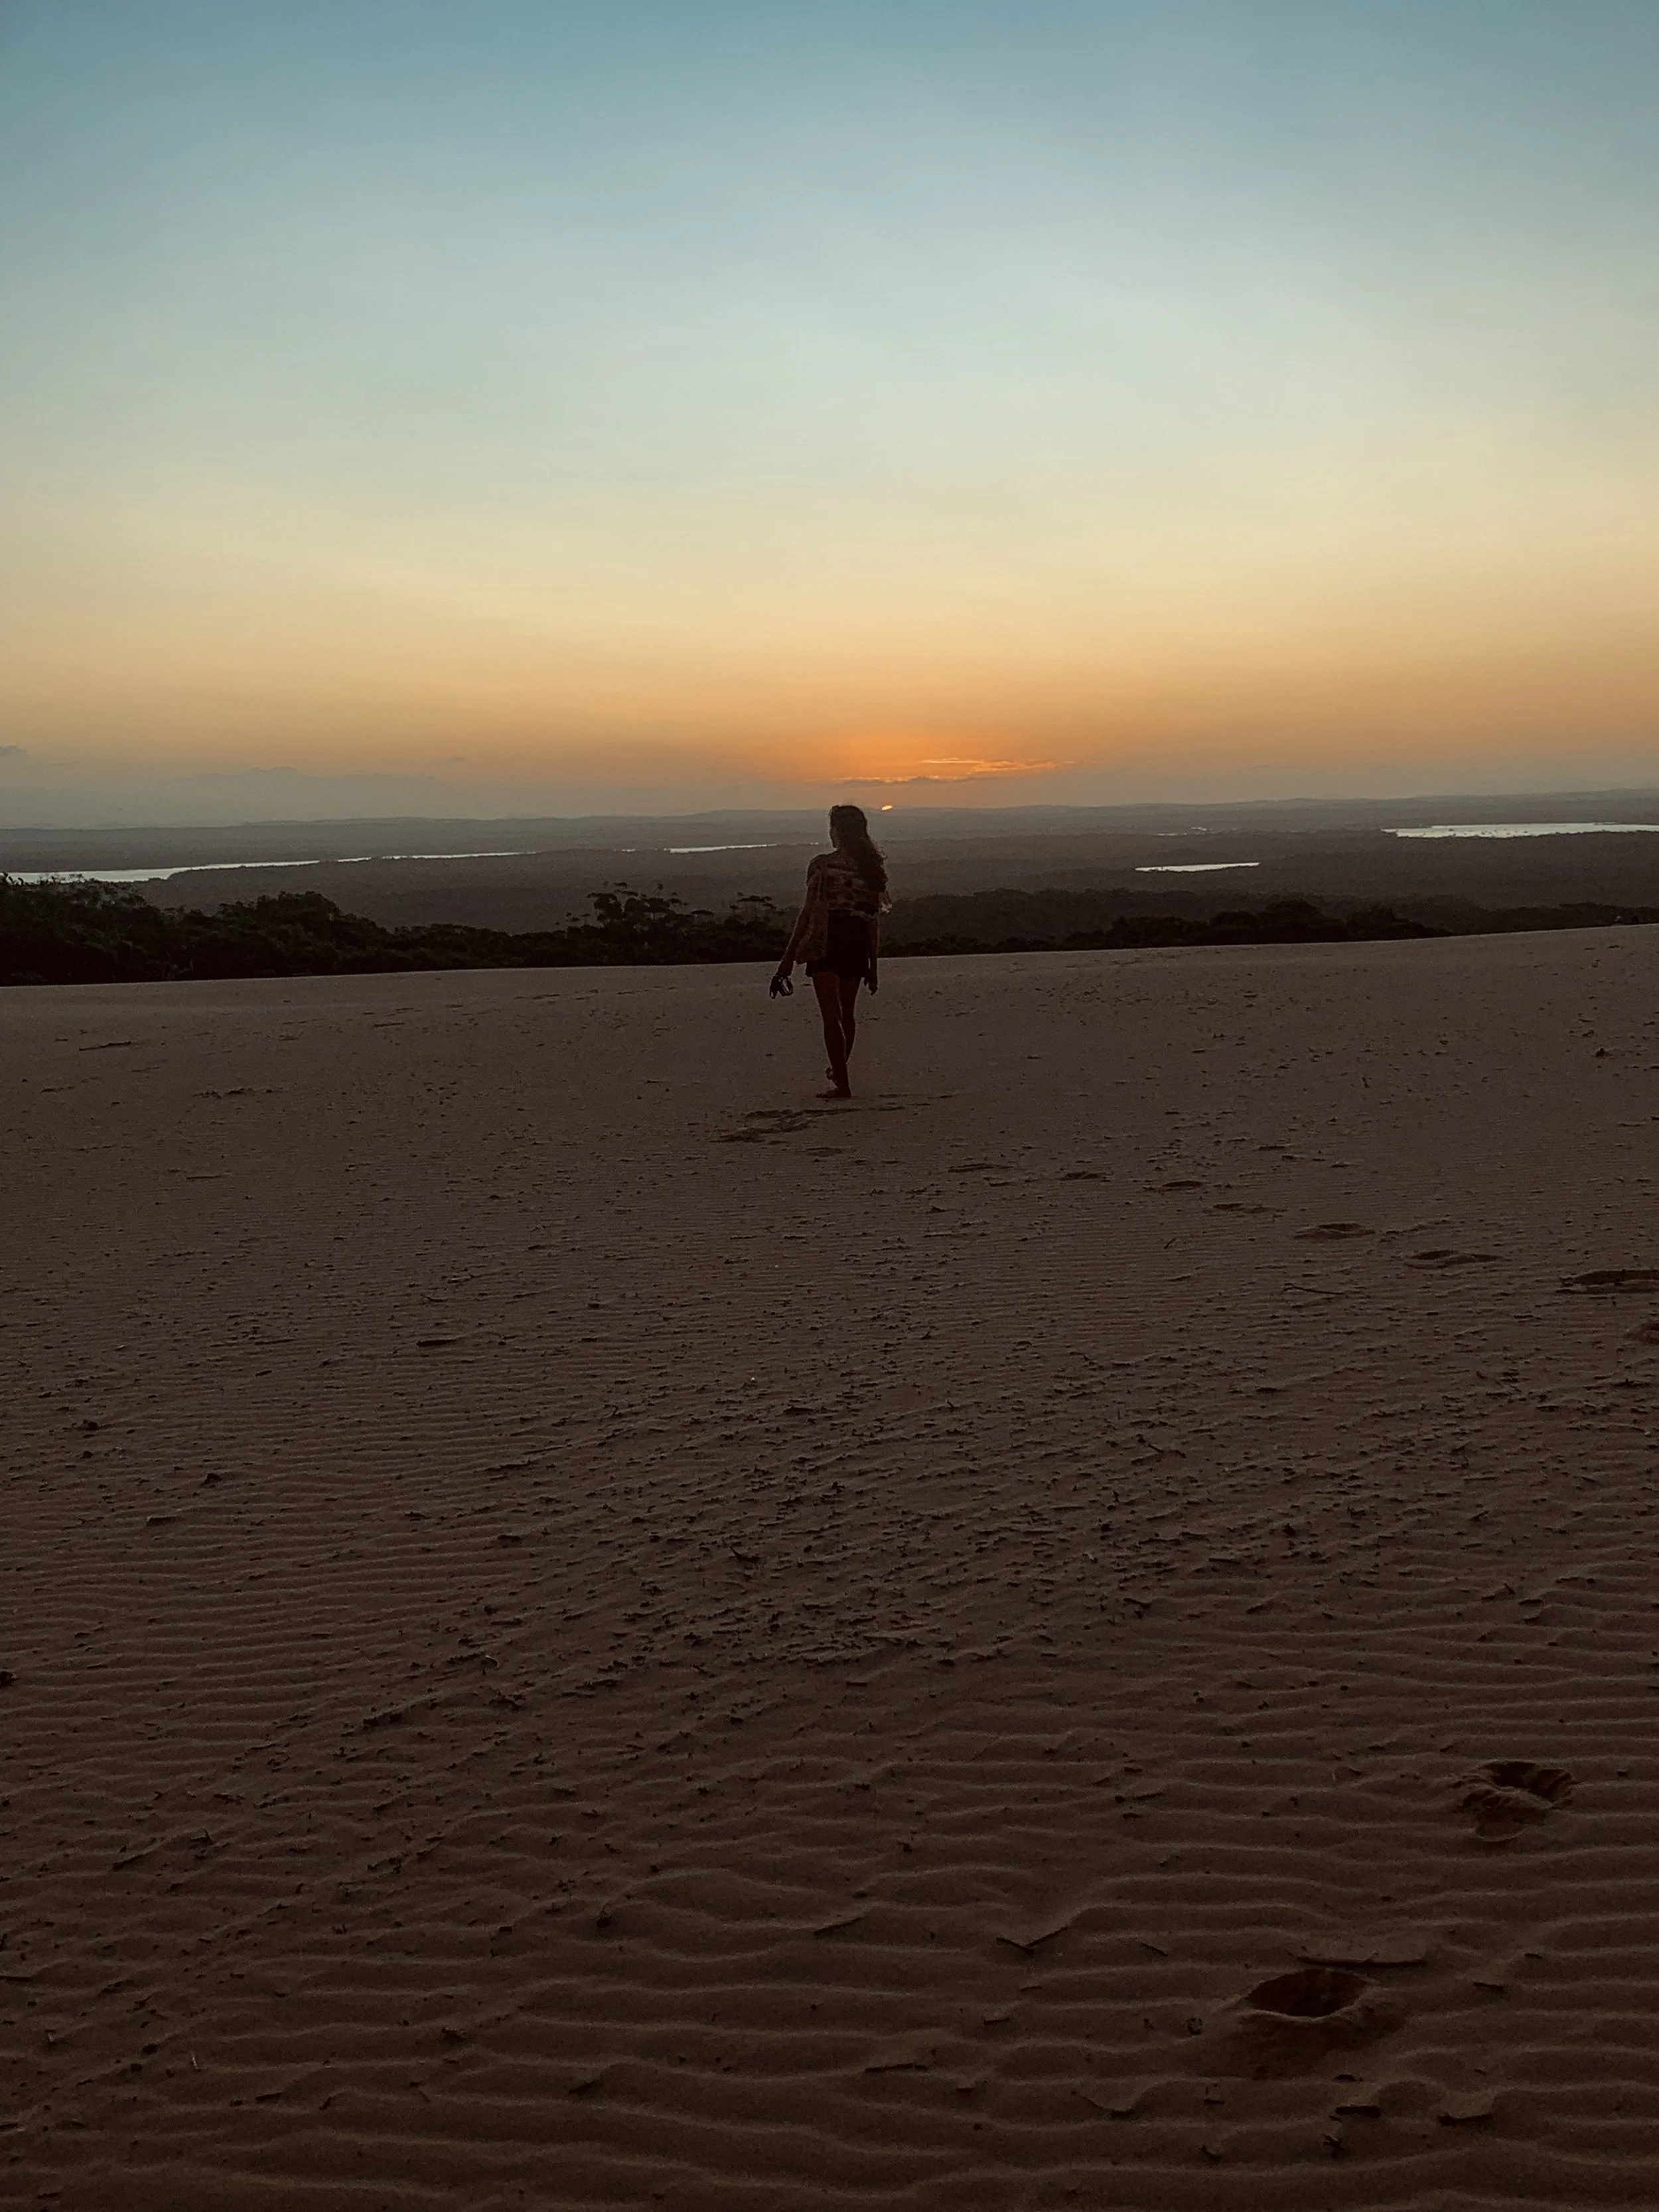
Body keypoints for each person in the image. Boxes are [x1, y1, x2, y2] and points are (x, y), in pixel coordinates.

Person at [772, 804, 890, 1097]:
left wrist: (788, 959)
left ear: (837, 830)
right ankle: (839, 1073)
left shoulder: (822, 865)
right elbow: (872, 922)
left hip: (829, 937)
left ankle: (842, 1082)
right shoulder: (871, 870)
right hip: (857, 941)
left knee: (831, 1015)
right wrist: (873, 967)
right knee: (847, 1014)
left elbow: (808, 912)